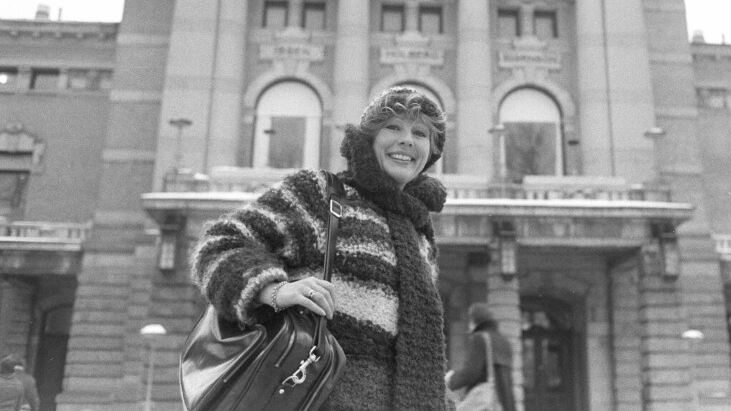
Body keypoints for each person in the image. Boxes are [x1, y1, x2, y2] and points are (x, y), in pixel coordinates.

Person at [191, 86, 451, 411]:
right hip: (311, 395)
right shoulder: (322, 196)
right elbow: (220, 245)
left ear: (432, 150)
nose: (407, 139)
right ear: (369, 139)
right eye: (393, 127)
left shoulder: (418, 231)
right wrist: (274, 290)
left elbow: (414, 353)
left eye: (421, 133)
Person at [446, 303, 516, 411]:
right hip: (503, 404)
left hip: (484, 403)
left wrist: (451, 380)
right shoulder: (505, 342)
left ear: (474, 321)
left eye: (470, 321)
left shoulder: (480, 338)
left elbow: (471, 373)